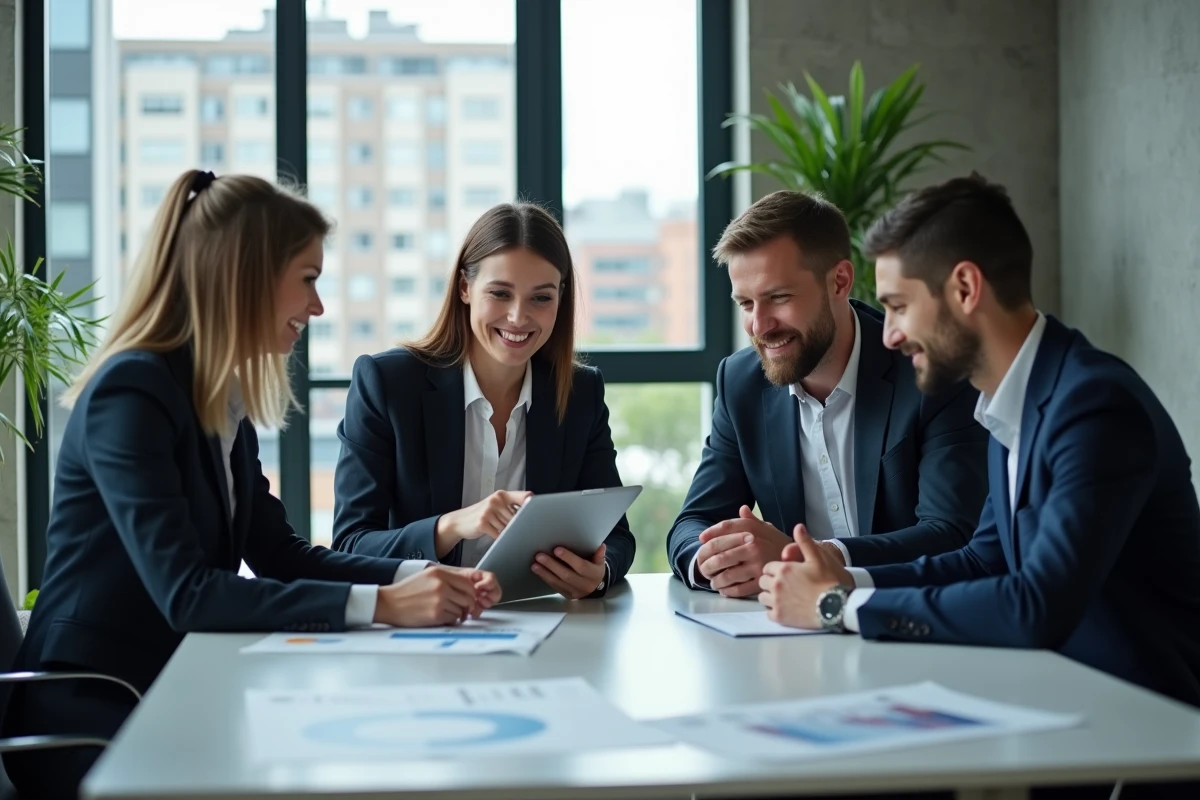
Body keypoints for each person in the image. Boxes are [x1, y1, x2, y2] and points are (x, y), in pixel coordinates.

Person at [0, 170, 501, 799]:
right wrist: (384, 606)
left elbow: (280, 555)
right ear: (247, 278)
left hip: (171, 690)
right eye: (308, 280)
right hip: (88, 713)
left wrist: (416, 577)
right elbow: (187, 595)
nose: (317, 308)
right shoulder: (131, 392)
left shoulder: (221, 398)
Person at [758, 174, 1200, 719]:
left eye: (898, 305)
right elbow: (981, 560)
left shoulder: (1094, 407)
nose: (889, 334)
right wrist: (842, 577)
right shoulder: (1012, 399)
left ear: (966, 288)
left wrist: (837, 606)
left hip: (1145, 730)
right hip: (1059, 709)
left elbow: (1036, 605)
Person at [666, 190, 988, 598]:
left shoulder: (929, 372)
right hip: (790, 625)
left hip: (910, 616)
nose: (760, 326)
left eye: (778, 297)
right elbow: (693, 523)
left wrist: (808, 557)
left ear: (839, 281)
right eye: (745, 303)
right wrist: (714, 561)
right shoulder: (740, 382)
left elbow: (953, 534)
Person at [331, 202, 635, 599]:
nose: (518, 317)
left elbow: (616, 537)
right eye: (500, 293)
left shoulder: (580, 393)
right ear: (464, 288)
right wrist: (453, 525)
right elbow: (350, 545)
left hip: (538, 620)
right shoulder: (388, 384)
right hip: (419, 624)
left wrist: (597, 573)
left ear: (560, 299)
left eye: (541, 298)